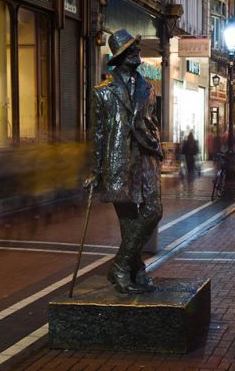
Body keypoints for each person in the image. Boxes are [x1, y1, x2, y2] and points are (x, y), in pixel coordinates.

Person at [84, 29, 163, 294]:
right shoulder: (103, 92)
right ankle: (135, 268)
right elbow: (98, 134)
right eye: (131, 49)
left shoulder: (147, 88)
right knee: (128, 221)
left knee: (153, 210)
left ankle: (119, 265)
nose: (136, 52)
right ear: (121, 56)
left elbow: (151, 122)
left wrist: (157, 148)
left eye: (136, 48)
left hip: (145, 158)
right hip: (118, 162)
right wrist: (95, 170)